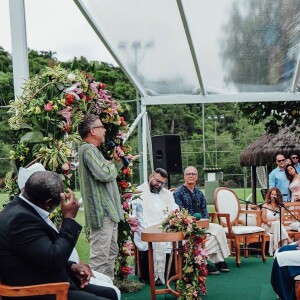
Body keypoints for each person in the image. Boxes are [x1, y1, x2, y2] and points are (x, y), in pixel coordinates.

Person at [0, 171, 118, 300]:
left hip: (51, 280)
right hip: (38, 291)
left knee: (110, 293)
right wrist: (69, 219)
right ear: (49, 202)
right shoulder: (20, 220)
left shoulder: (21, 209)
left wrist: (71, 266)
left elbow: (38, 253)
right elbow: (54, 258)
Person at [78, 114, 124, 280]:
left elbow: (106, 171)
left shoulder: (93, 151)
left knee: (111, 254)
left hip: (108, 214)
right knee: (99, 260)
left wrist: (114, 161)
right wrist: (112, 164)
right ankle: (97, 293)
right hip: (101, 214)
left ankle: (108, 290)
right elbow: (104, 174)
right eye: (101, 127)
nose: (104, 130)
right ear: (92, 131)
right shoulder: (88, 150)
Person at [173, 166, 230, 275]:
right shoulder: (178, 193)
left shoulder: (199, 193)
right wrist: (191, 221)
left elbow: (204, 210)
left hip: (202, 223)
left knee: (219, 229)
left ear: (197, 177)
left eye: (193, 174)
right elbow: (179, 212)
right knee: (207, 237)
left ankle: (219, 260)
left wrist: (206, 222)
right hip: (188, 225)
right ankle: (201, 261)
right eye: (188, 174)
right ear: (184, 177)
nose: (191, 176)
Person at [131, 168, 178, 286]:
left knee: (180, 238)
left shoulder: (167, 194)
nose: (159, 185)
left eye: (162, 183)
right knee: (156, 241)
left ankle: (174, 273)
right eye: (157, 181)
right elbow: (131, 213)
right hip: (145, 230)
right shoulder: (138, 192)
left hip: (165, 230)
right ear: (150, 177)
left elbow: (175, 210)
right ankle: (154, 276)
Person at [260, 187, 291, 255]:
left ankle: (278, 249)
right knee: (277, 223)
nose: (274, 196)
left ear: (278, 196)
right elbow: (263, 219)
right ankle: (287, 240)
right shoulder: (265, 205)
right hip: (267, 226)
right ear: (269, 195)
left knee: (277, 224)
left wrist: (274, 221)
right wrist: (272, 220)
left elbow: (281, 220)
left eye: (275, 195)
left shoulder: (281, 206)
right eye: (272, 194)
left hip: (277, 226)